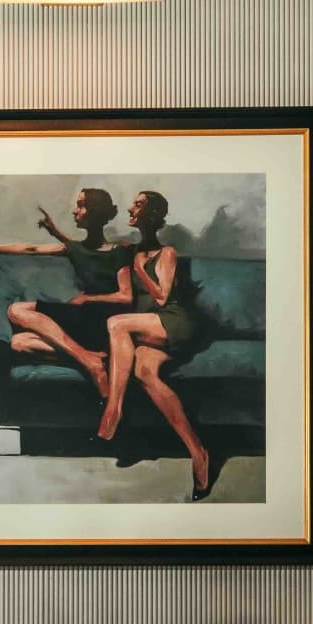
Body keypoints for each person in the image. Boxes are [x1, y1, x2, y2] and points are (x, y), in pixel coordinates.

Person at [94, 189, 215, 497]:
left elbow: (162, 297)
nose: (130, 209)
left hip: (174, 322)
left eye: (138, 205)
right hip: (149, 328)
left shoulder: (167, 253)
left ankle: (114, 409)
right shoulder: (130, 250)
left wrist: (137, 268)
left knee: (117, 324)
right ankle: (199, 453)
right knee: (144, 374)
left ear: (150, 215)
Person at [0, 186, 130, 388]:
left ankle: (89, 361)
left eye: (81, 206)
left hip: (104, 322)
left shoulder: (120, 251)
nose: (75, 211)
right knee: (17, 343)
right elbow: (31, 248)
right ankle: (89, 359)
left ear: (96, 211)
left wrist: (88, 299)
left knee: (17, 310)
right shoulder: (74, 248)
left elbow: (126, 296)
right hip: (81, 316)